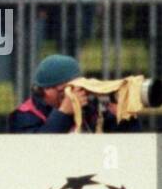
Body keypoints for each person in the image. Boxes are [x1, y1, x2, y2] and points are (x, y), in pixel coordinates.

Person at [8, 54, 141, 133]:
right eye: (66, 90)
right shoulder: (24, 115)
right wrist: (63, 114)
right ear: (47, 90)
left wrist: (124, 118)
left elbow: (127, 144)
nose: (74, 94)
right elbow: (34, 150)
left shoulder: (89, 107)